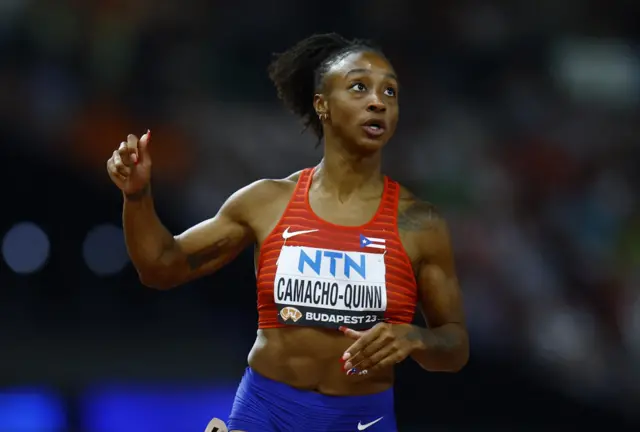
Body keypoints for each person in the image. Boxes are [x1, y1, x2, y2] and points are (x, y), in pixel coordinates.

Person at [106, 33, 469, 432]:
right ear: (323, 106)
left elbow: (454, 346)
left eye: (390, 92)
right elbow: (161, 267)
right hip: (267, 411)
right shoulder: (265, 203)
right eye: (359, 87)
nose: (378, 101)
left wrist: (416, 337)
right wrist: (137, 195)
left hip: (362, 418)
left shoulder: (420, 223)